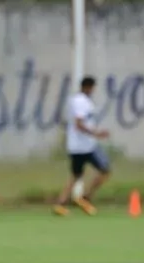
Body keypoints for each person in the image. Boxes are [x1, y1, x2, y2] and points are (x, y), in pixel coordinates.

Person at [53, 76, 110, 216]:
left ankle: (61, 203)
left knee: (76, 175)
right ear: (88, 87)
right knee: (104, 170)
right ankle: (85, 198)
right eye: (92, 88)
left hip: (82, 146)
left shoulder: (81, 101)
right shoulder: (80, 101)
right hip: (83, 146)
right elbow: (79, 124)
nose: (93, 91)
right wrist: (96, 133)